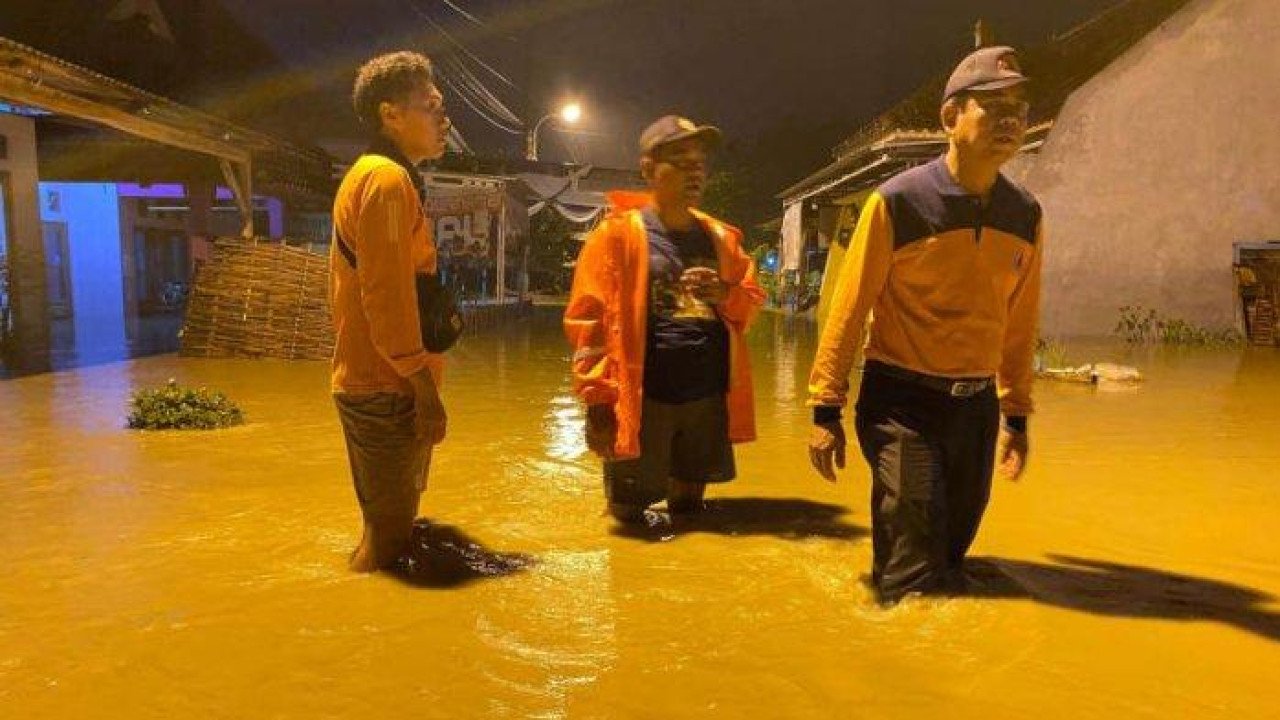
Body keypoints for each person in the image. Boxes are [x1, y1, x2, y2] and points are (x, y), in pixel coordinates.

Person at [806, 46, 1042, 602]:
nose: (1010, 120)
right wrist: (824, 410)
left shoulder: (1025, 214)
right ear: (950, 117)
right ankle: (898, 640)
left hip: (976, 411)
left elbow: (1019, 322)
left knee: (951, 553)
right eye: (992, 107)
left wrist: (1017, 416)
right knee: (912, 571)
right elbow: (848, 308)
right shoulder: (898, 203)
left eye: (1018, 109)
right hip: (901, 407)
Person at [564, 115, 766, 524]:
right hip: (644, 400)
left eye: (700, 162)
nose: (695, 171)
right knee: (626, 520)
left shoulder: (723, 239)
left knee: (690, 515)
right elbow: (589, 322)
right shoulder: (615, 236)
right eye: (681, 160)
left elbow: (750, 307)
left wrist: (725, 293)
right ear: (648, 169)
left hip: (705, 399)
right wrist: (598, 403)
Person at [330, 51, 452, 571]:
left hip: (383, 379)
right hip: (388, 386)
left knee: (389, 527)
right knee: (389, 540)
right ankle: (354, 612)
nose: (444, 119)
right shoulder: (385, 181)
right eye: (431, 106)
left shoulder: (379, 176)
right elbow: (387, 298)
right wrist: (423, 388)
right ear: (391, 115)